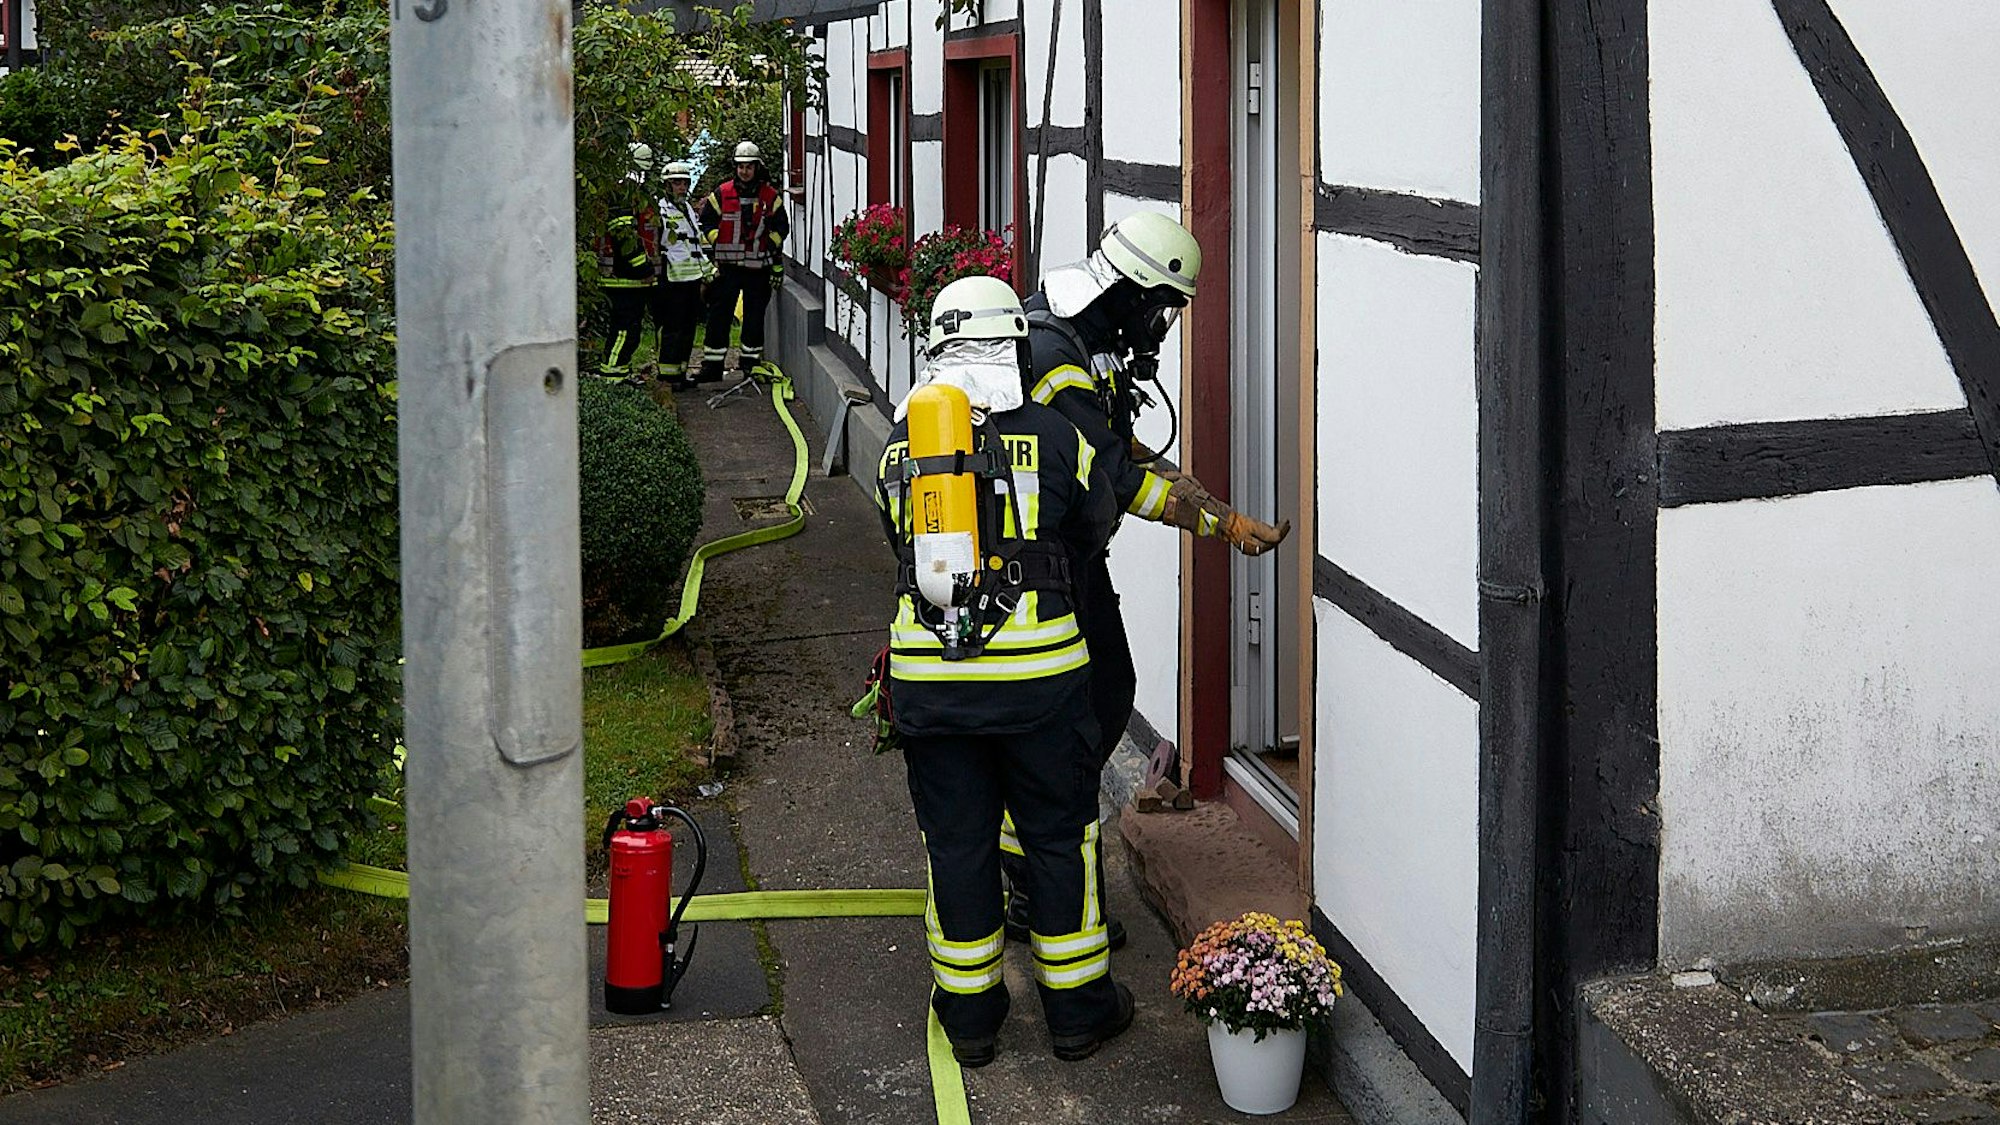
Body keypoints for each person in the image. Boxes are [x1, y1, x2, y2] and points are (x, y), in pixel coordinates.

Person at [1000, 211, 1291, 940]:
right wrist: (1217, 521)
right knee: (1090, 708)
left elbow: (1115, 449)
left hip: (1061, 560)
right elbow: (1118, 474)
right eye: (1160, 306)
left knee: (1094, 703)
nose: (1161, 325)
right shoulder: (1058, 359)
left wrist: (1216, 512)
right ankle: (1040, 878)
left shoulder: (1074, 338)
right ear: (1128, 292)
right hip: (1046, 570)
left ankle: (1031, 861)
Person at [874, 275, 1134, 1068]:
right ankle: (1078, 1011)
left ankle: (971, 1016)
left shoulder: (899, 447)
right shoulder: (1058, 436)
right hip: (1042, 687)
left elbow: (901, 549)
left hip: (931, 686)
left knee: (955, 843)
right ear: (1013, 344)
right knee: (1058, 837)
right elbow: (1098, 523)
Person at [696, 141, 788, 382]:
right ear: (735, 168)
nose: (744, 171)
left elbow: (781, 226)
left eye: (749, 167)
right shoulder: (722, 193)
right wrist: (717, 240)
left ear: (757, 168)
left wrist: (770, 244)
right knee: (719, 315)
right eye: (740, 167)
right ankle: (713, 367)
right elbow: (706, 222)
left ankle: (750, 365)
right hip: (728, 268)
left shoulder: (770, 196)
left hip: (758, 268)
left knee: (754, 317)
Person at [596, 142, 661, 382]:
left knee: (629, 331)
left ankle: (621, 374)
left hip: (630, 279)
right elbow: (626, 240)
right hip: (623, 278)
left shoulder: (629, 194)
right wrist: (644, 269)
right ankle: (612, 377)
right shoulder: (624, 197)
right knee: (624, 331)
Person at [652, 160, 711, 390]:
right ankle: (667, 377)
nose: (682, 188)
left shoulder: (687, 209)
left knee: (688, 328)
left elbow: (694, 245)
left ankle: (681, 373)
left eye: (685, 183)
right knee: (672, 328)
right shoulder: (660, 210)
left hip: (692, 278)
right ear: (667, 185)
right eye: (677, 183)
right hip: (671, 279)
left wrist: (709, 271)